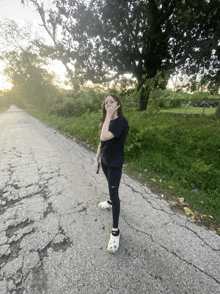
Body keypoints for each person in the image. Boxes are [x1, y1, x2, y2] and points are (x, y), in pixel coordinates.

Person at [95, 94, 129, 253]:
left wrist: (108, 116)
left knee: (114, 193)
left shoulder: (121, 121)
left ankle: (115, 232)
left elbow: (104, 135)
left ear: (118, 105)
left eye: (111, 102)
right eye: (105, 103)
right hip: (105, 161)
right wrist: (97, 159)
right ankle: (110, 201)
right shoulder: (106, 121)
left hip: (115, 163)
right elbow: (101, 142)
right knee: (110, 188)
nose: (108, 105)